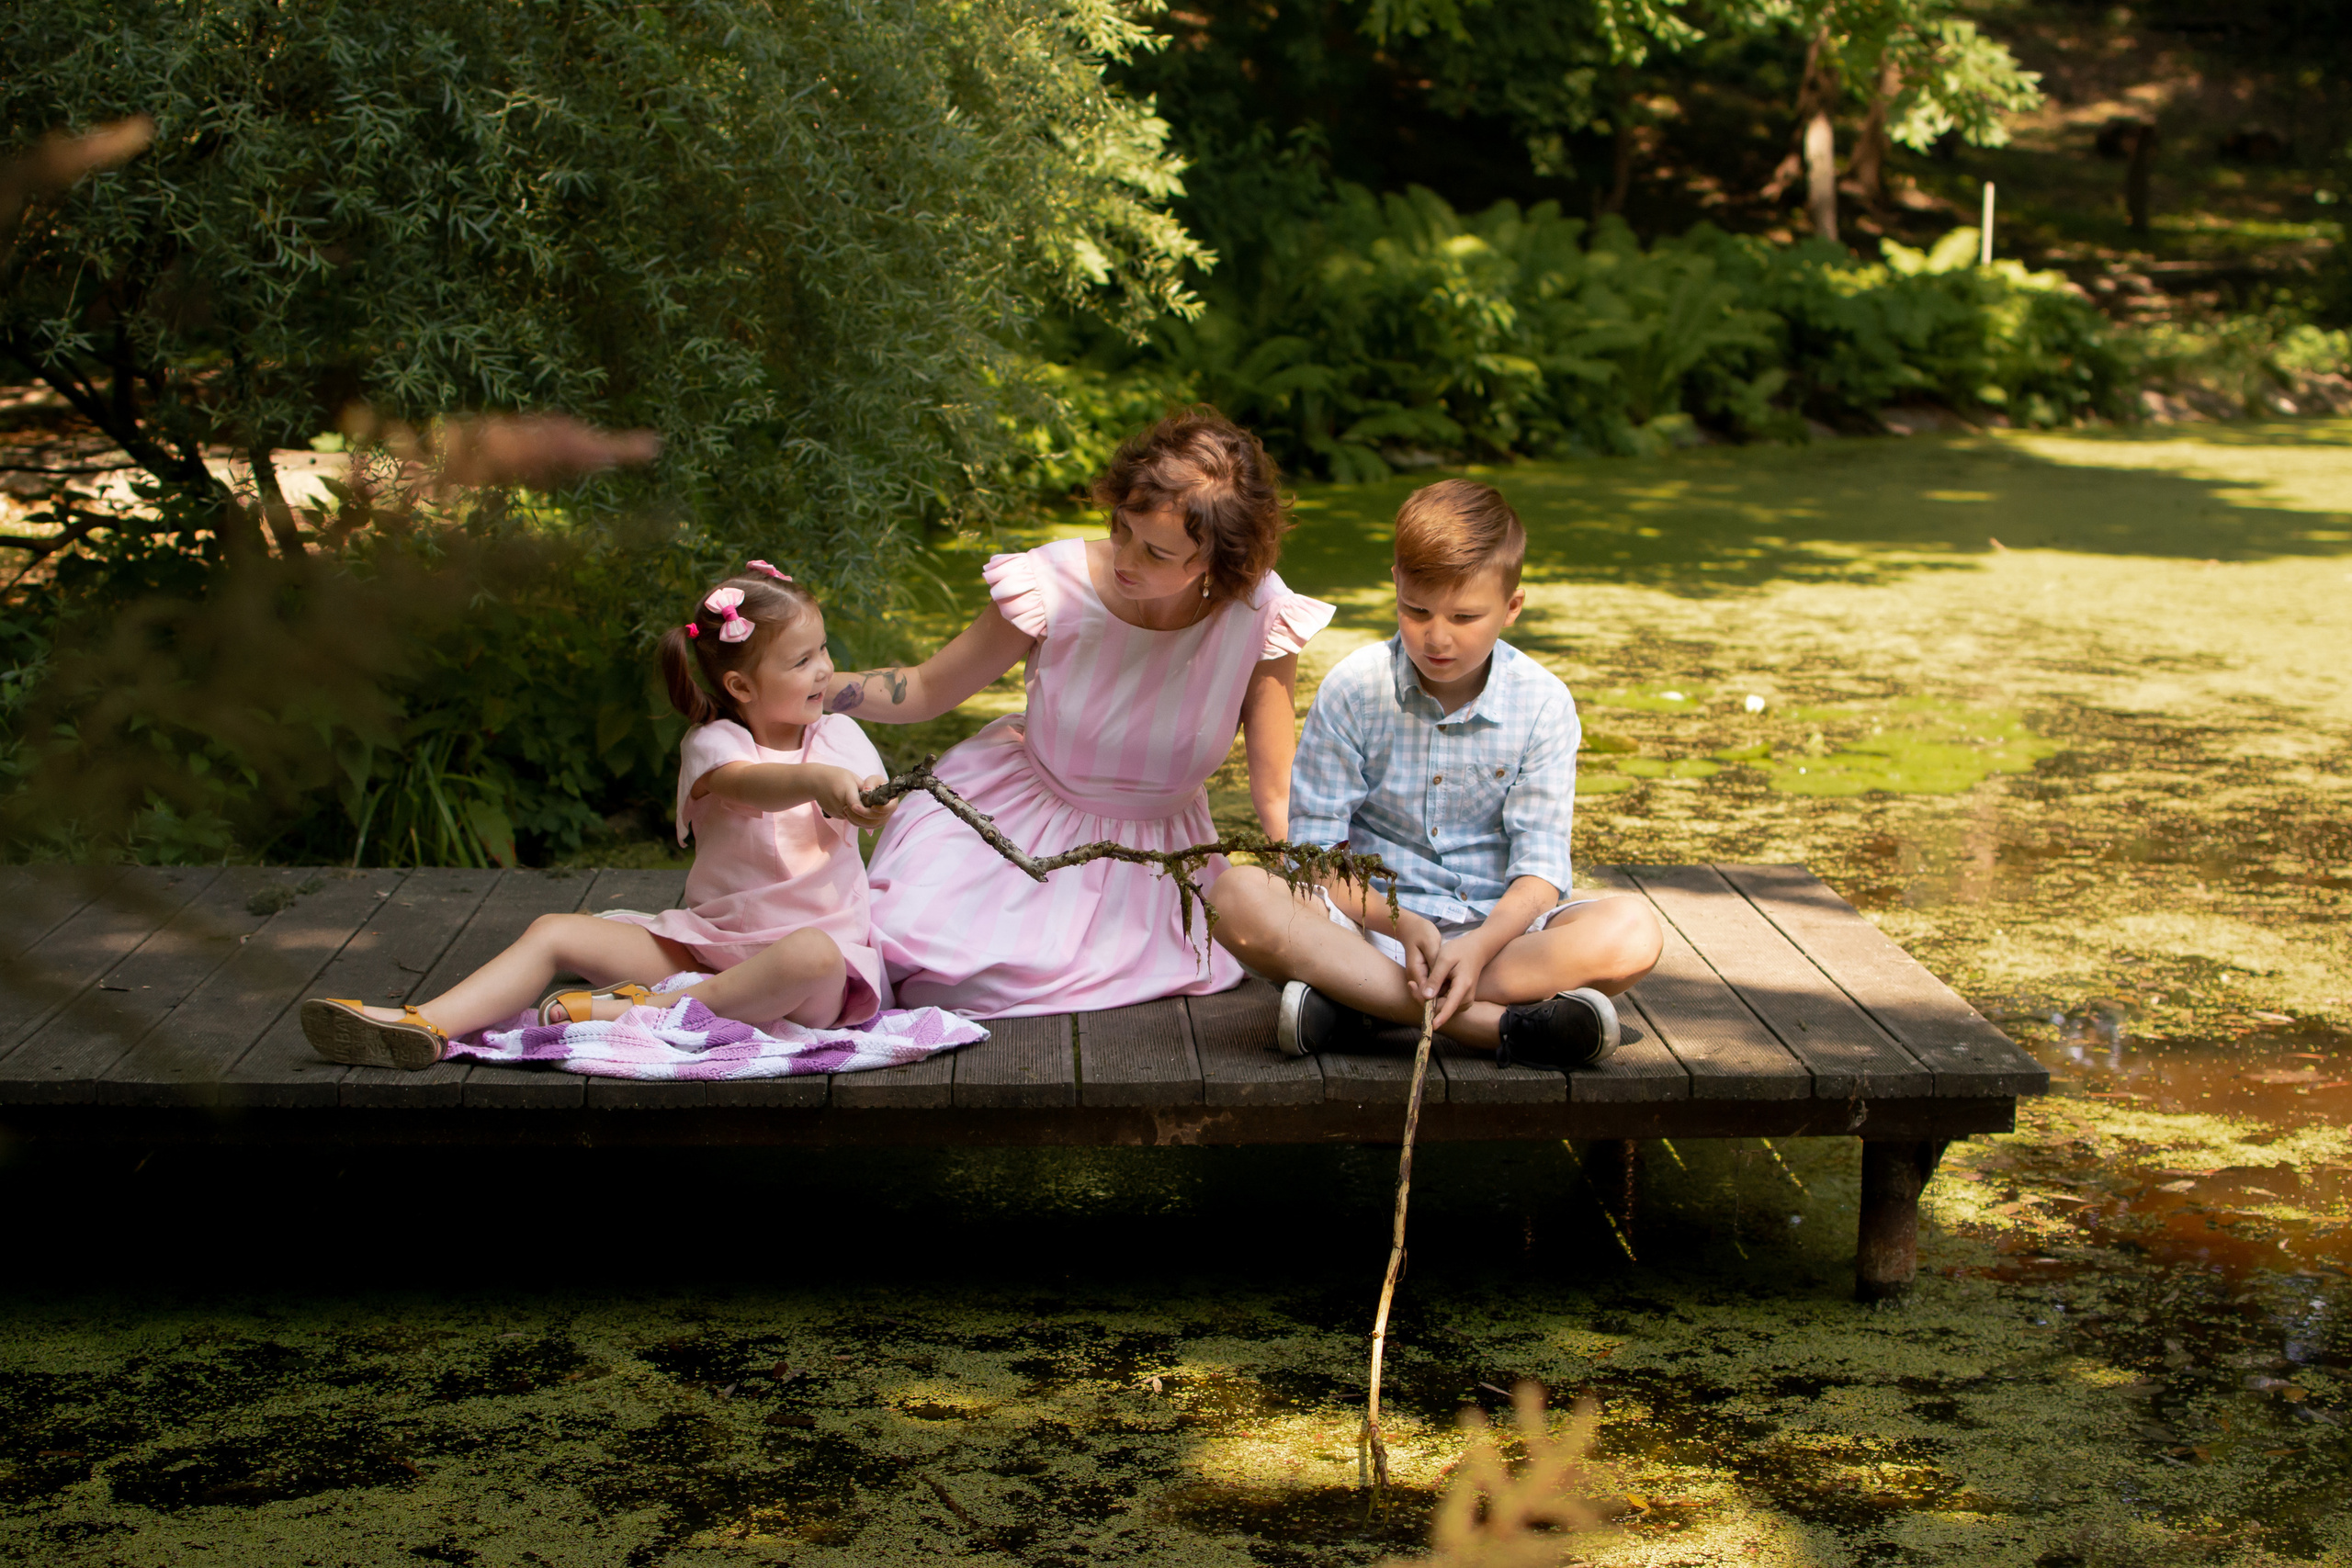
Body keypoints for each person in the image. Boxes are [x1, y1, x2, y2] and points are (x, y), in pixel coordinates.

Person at [827, 408, 1333, 1017]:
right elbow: (928, 688)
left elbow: (1276, 790)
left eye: (1156, 552)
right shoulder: (1052, 583)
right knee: (935, 971)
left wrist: (1315, 890)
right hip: (1010, 830)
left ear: (1216, 563)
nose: (1125, 558)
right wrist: (811, 686)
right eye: (1122, 527)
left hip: (1156, 864)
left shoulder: (1260, 614)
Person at [300, 564, 897, 1068]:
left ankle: (647, 1008)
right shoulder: (714, 744)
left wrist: (872, 797)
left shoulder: (839, 735)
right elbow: (748, 786)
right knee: (554, 930)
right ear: (740, 686)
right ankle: (424, 1025)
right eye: (802, 660)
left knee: (811, 952)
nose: (824, 669)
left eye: (823, 649)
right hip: (705, 947)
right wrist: (819, 782)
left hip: (809, 979)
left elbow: (869, 788)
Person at [1205, 479, 1662, 1067]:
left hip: (1499, 940)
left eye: (1465, 616)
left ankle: (1358, 1003)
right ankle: (1499, 1029)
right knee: (1234, 895)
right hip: (1367, 926)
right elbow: (1315, 855)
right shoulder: (1355, 688)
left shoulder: (1544, 703)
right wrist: (1402, 924)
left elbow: (1541, 873)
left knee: (1633, 933)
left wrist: (1479, 947)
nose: (1437, 637)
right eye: (1416, 610)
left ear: (1512, 607)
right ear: (1396, 581)